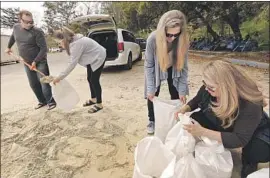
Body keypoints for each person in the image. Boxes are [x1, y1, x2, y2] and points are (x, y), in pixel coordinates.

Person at [176, 60, 270, 178]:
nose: (206, 89)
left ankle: (249, 161)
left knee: (258, 150)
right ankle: (218, 144)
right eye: (204, 84)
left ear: (226, 87)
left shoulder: (250, 103)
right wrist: (185, 108)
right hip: (228, 123)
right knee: (195, 118)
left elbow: (239, 139)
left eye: (210, 87)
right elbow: (197, 99)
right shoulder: (209, 87)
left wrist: (203, 132)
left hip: (252, 131)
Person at [144, 10, 189, 134]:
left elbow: (184, 68)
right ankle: (152, 120)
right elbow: (149, 66)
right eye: (169, 35)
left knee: (176, 91)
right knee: (152, 94)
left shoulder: (182, 40)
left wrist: (182, 90)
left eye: (176, 35)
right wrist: (151, 88)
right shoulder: (152, 39)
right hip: (157, 65)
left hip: (174, 66)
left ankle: (177, 116)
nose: (172, 38)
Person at [5, 10, 56, 110]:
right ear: (20, 20)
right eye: (27, 22)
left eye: (31, 22)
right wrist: (8, 47)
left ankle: (51, 102)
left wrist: (35, 62)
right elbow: (13, 37)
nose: (30, 24)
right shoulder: (16, 28)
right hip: (26, 62)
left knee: (44, 82)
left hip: (40, 61)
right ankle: (42, 101)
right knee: (33, 84)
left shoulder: (37, 31)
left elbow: (44, 49)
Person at [52, 27, 106, 113]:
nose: (59, 45)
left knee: (94, 80)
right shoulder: (73, 41)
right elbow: (71, 59)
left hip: (98, 56)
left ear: (64, 39)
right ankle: (94, 99)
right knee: (89, 78)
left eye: (59, 42)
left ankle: (99, 104)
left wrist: (59, 77)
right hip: (91, 58)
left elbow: (72, 64)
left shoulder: (77, 44)